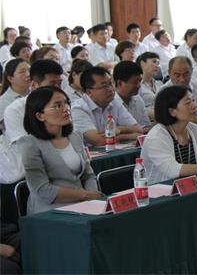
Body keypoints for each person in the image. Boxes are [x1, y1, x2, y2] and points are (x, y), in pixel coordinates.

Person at [19, 86, 101, 214]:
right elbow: (43, 190)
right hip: (50, 210)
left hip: (84, 203)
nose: (66, 109)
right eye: (57, 106)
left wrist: (92, 196)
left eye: (66, 103)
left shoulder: (75, 136)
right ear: (40, 116)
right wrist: (85, 195)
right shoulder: (30, 144)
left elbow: (88, 175)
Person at [71, 67, 143, 146]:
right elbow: (99, 141)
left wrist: (119, 129)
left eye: (110, 83)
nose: (110, 89)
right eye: (104, 86)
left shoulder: (114, 102)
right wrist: (129, 136)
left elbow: (138, 129)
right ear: (89, 92)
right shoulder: (78, 109)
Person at [4, 60, 64, 146]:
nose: (58, 89)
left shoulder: (64, 105)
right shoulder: (16, 110)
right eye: (52, 84)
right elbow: (24, 147)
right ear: (34, 85)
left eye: (59, 83)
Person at [161, 56, 197, 122]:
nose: (182, 80)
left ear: (191, 71)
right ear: (169, 73)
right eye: (177, 75)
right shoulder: (162, 92)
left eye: (186, 75)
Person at [113, 61, 152, 132]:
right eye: (135, 82)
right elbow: (111, 132)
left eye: (140, 81)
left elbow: (147, 126)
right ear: (120, 83)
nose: (139, 86)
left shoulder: (138, 99)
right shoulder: (110, 104)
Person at [0, 59, 30, 131]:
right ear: (10, 78)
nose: (28, 74)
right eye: (22, 71)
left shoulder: (37, 93)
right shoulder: (3, 102)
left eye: (29, 70)